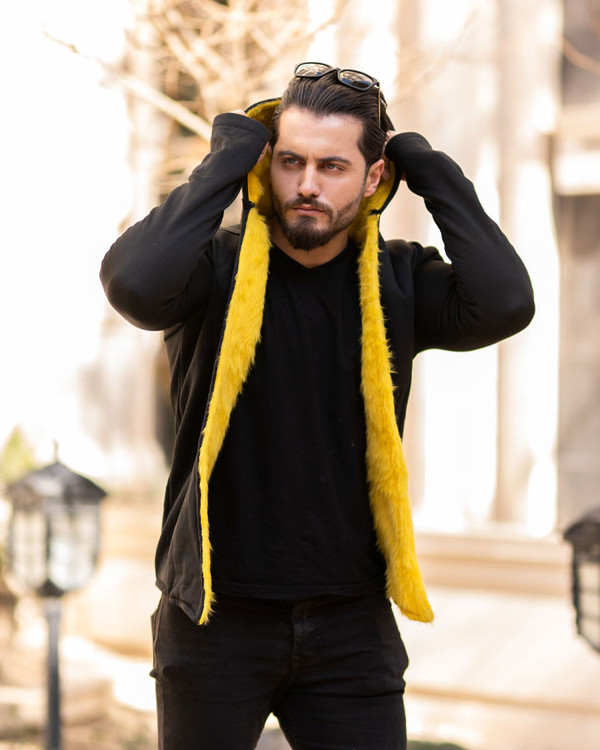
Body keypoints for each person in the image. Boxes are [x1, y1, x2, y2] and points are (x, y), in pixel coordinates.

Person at [100, 62, 535, 750]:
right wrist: (227, 159)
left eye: (333, 167)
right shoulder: (209, 270)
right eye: (291, 162)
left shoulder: (400, 279)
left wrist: (428, 166)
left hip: (350, 625)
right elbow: (132, 283)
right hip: (214, 619)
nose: (307, 185)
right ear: (267, 166)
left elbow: (507, 301)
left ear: (373, 177)